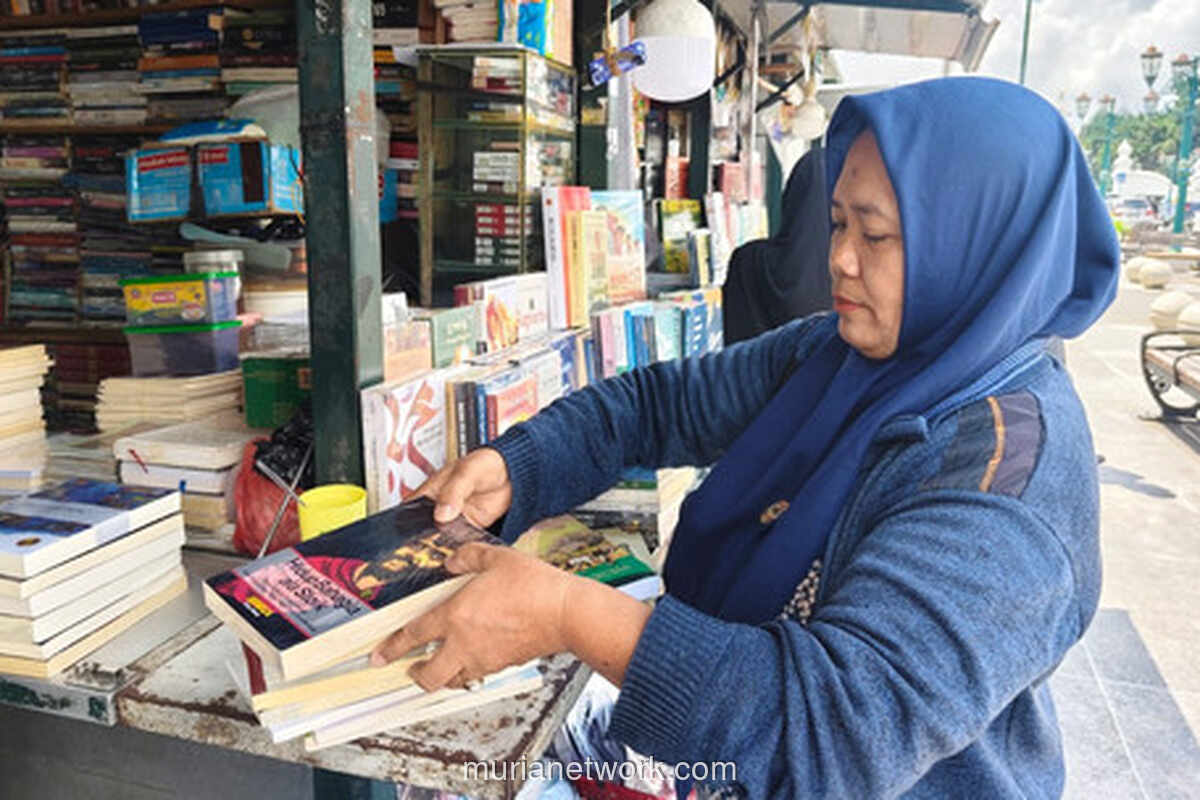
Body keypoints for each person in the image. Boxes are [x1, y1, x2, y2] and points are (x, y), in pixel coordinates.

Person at [371, 78, 1119, 798]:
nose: (840, 260)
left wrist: (568, 616)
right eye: (837, 223)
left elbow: (831, 733)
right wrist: (520, 463)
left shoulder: (1006, 484)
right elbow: (658, 406)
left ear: (978, 246)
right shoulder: (838, 355)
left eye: (878, 234)